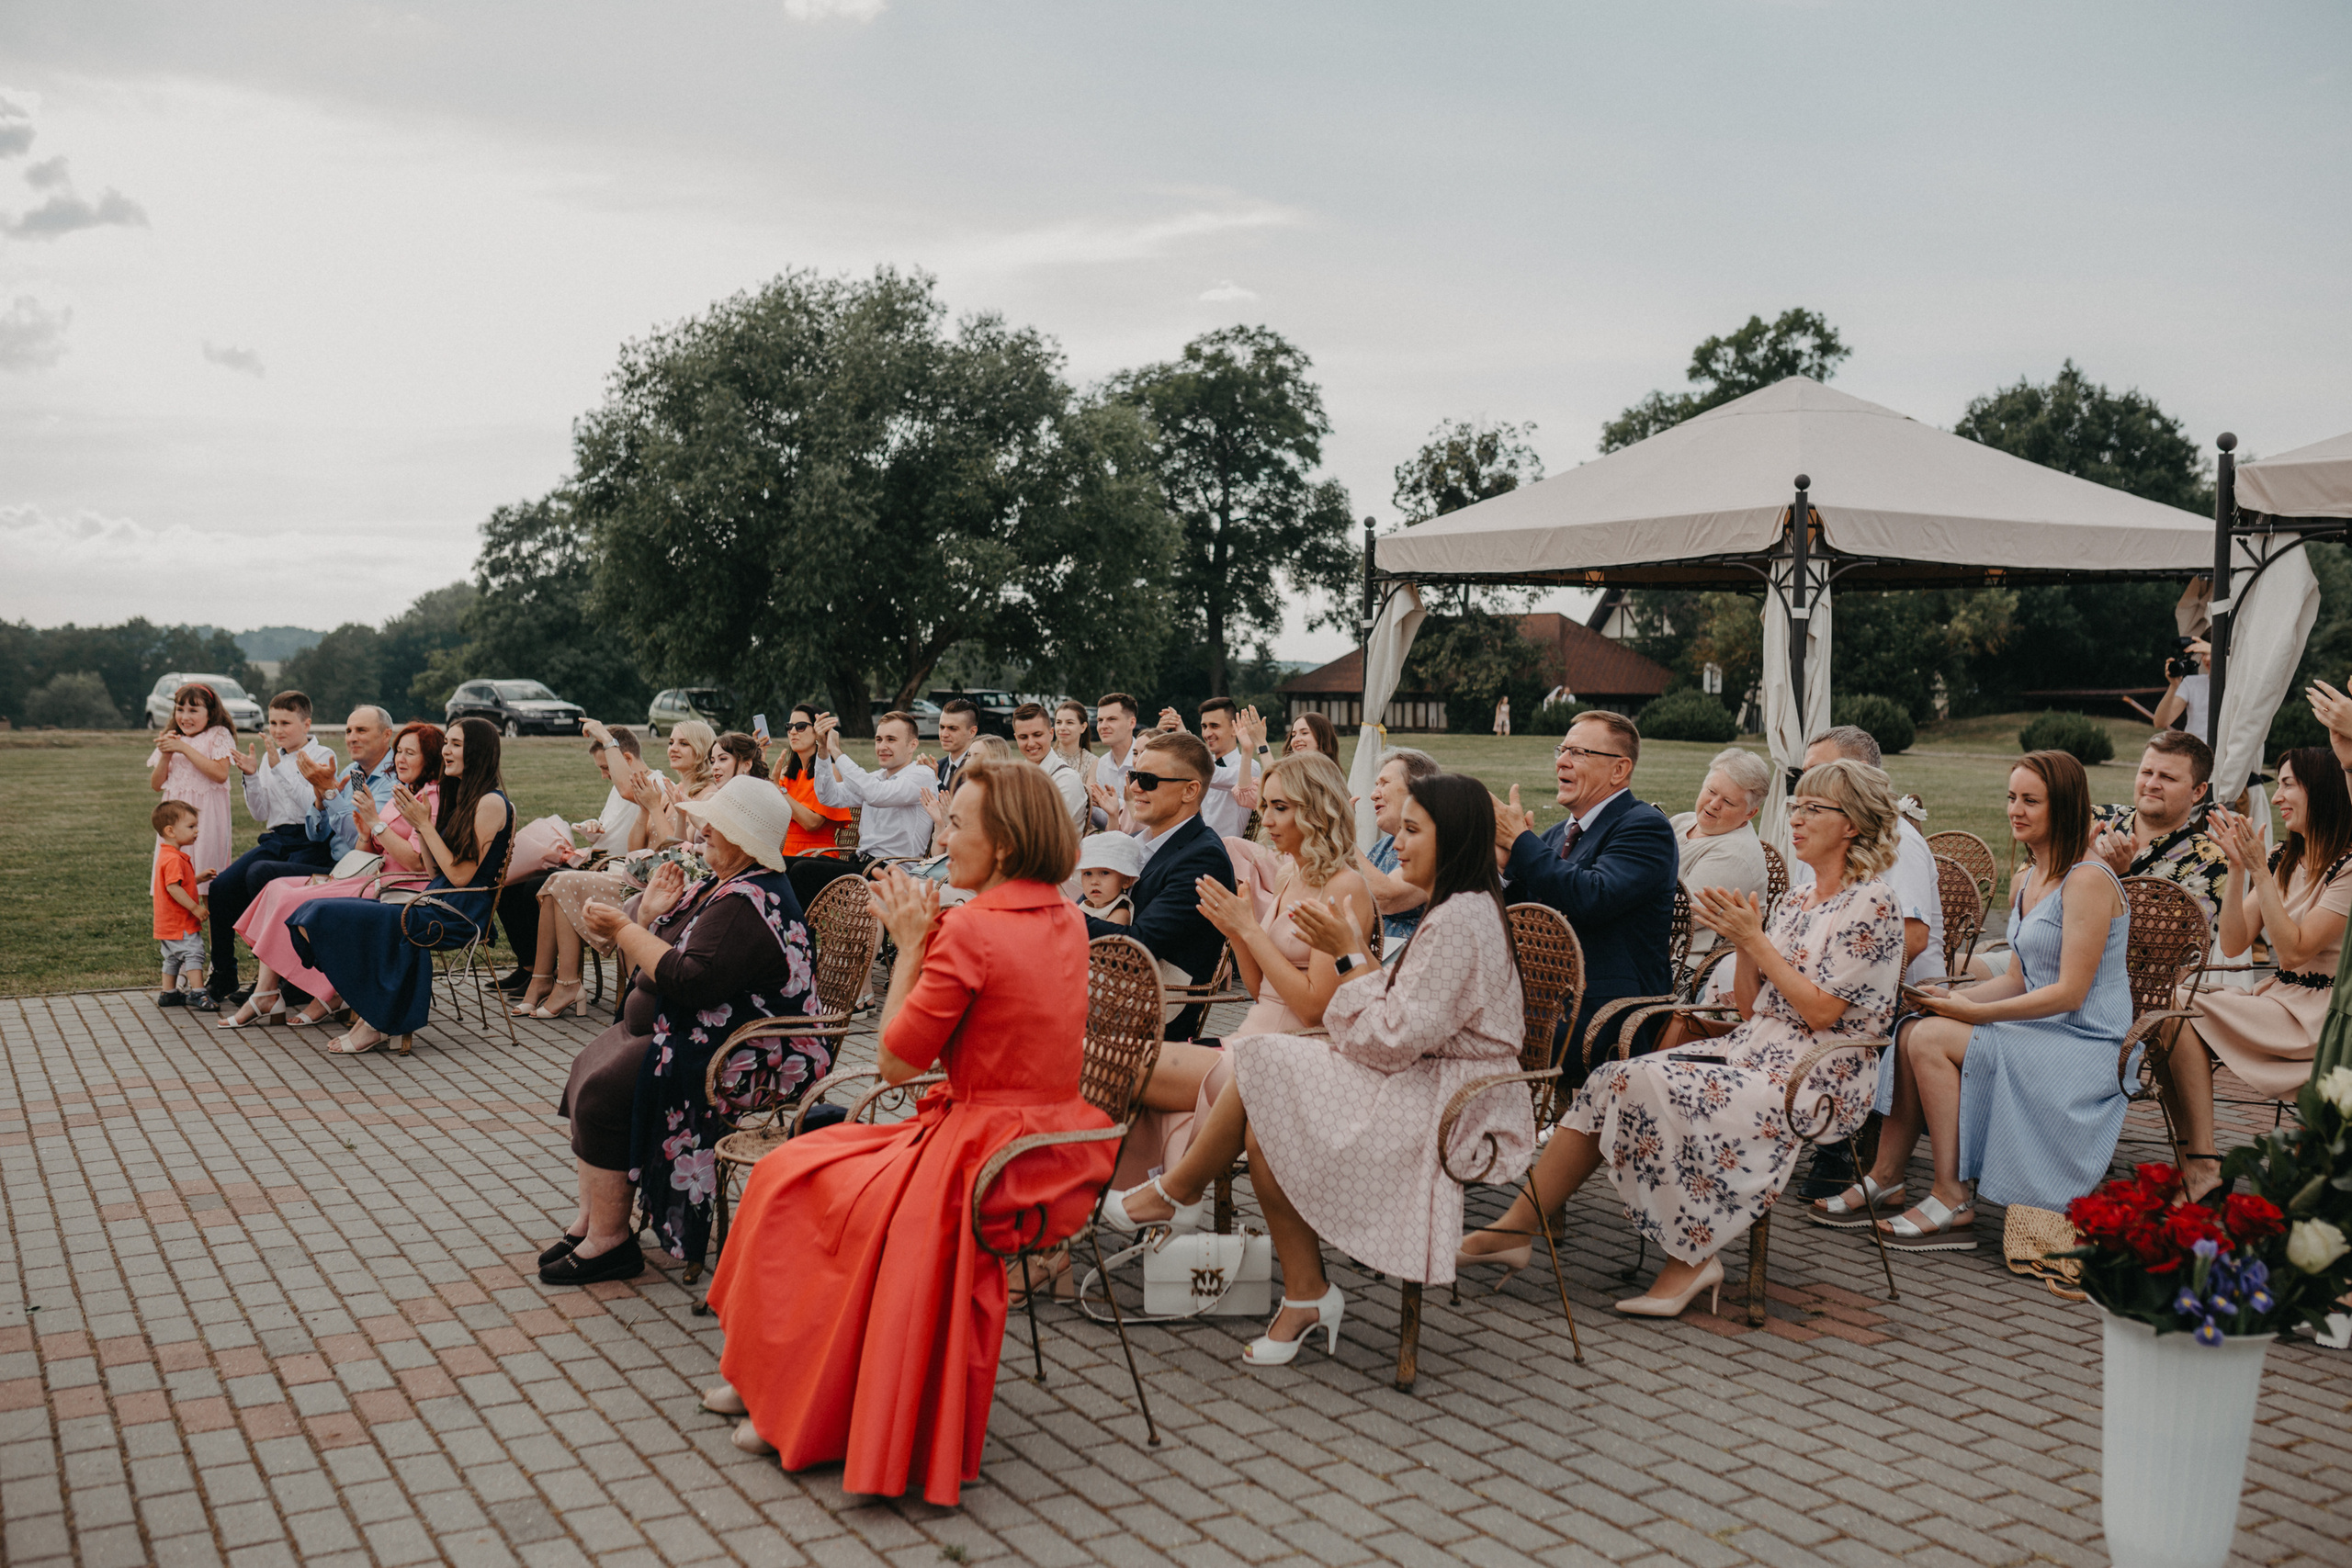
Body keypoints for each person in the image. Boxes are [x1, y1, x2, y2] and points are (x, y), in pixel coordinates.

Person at [702, 762, 1114, 1505]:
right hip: (1055, 1143)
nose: (944, 835)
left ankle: (797, 1397)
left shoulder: (971, 929)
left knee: (802, 1185)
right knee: (798, 1166)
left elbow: (894, 1062)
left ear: (1008, 843)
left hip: (984, 1155)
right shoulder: (1065, 914)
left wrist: (912, 942)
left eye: (959, 823)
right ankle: (763, 1373)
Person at [1102, 773, 1532, 1364]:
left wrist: (1349, 949)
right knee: (1265, 1099)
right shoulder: (1455, 910)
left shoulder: (1459, 919)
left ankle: (1184, 1195)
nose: (1395, 845)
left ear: (1453, 838)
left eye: (1411, 830)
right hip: (1417, 1072)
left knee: (1266, 1066)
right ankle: (1301, 1291)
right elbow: (1394, 1019)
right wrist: (1266, 935)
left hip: (1452, 1101)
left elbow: (1388, 1036)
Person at [1460, 759, 1905, 1315]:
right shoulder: (1798, 900)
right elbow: (1751, 1007)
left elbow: (1820, 1012)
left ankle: (1691, 1260)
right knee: (1613, 1078)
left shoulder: (1873, 902)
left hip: (1817, 1075)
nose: (1795, 818)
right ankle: (1514, 1229)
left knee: (1653, 1085)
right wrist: (1744, 942)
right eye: (1795, 806)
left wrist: (1754, 940)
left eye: (1813, 808)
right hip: (1754, 1048)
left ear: (1853, 825)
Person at [1830, 750, 2131, 1248]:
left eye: (2031, 800)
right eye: (2012, 797)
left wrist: (1973, 1012)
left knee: (1930, 1040)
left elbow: (2070, 992)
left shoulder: (2089, 881)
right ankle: (1888, 1176)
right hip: (2042, 1026)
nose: (2016, 810)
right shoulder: (2028, 879)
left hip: (2085, 1040)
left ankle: (1952, 1196)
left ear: (2066, 806)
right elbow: (2017, 978)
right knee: (1911, 1027)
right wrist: (1945, 995)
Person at [549, 776, 820, 1284]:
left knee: (607, 1091)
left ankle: (611, 1242)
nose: (701, 828)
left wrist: (627, 930)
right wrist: (646, 914)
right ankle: (592, 1222)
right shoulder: (723, 882)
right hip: (701, 1031)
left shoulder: (748, 901)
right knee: (589, 1066)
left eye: (714, 823)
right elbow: (668, 942)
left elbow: (690, 980)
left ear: (741, 837)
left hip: (752, 1053)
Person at [2161, 747, 2352, 1199]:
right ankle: (2197, 1163)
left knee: (2178, 1008)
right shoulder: (2286, 856)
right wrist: (2237, 868)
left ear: (2320, 791)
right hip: (2279, 1001)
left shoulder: (2347, 868)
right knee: (2169, 1012)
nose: (2279, 796)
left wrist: (2261, 873)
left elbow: (2293, 949)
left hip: (2317, 1018)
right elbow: (2232, 942)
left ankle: (2204, 1167)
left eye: (2288, 784)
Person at [288, 717, 514, 1055]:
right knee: (306, 913)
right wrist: (421, 828)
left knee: (320, 914)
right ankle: (374, 1010)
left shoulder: (491, 803)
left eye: (455, 744)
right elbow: (433, 866)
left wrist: (423, 824)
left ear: (478, 752)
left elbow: (462, 877)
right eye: (446, 743)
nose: (445, 751)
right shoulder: (463, 795)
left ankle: (376, 1017)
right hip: (428, 902)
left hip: (455, 913)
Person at [220, 722, 445, 1029]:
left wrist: (374, 823)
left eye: (410, 753)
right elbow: (367, 847)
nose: (400, 759)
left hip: (400, 886)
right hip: (368, 872)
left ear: (430, 758)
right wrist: (366, 832)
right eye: (400, 752)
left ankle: (323, 992)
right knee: (275, 888)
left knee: (298, 900)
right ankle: (267, 991)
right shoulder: (402, 790)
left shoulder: (430, 797)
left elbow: (417, 863)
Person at [1492, 710, 1679, 1068]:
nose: (1561, 761)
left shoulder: (1645, 828)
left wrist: (1520, 842)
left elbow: (1594, 897)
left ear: (1619, 770)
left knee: (1456, 1037)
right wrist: (1502, 866)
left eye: (1578, 753)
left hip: (1605, 1014)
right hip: (1540, 999)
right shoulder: (1556, 836)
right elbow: (1518, 918)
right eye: (1561, 750)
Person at [205, 696, 387, 1008]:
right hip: (278, 837)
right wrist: (252, 775)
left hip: (308, 843)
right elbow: (260, 811)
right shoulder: (271, 758)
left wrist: (279, 769)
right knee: (221, 887)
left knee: (260, 877)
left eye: (285, 723)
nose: (277, 730)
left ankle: (278, 977)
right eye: (272, 723)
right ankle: (224, 970)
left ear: (306, 724)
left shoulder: (321, 755)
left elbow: (310, 807)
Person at [1082, 728, 1236, 1031]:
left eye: (1148, 780)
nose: (1135, 788)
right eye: (1134, 776)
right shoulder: (1144, 839)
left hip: (1151, 1011)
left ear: (1189, 791)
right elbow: (1090, 904)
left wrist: (1057, 915)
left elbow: (1138, 948)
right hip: (1111, 991)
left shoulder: (1203, 857)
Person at [495, 719, 651, 998]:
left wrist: (605, 736)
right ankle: (529, 965)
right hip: (594, 859)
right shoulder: (618, 789)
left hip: (613, 869)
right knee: (511, 886)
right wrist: (592, 828)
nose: (605, 776)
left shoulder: (646, 784)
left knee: (535, 888)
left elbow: (632, 841)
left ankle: (548, 974)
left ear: (624, 758)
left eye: (606, 767)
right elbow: (610, 828)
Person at [1794, 728, 1939, 983]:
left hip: (1900, 997)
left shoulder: (1896, 843)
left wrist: (1829, 985)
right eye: (1805, 774)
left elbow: (1913, 939)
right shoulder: (1818, 842)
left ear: (1858, 772)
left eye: (1819, 771)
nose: (1805, 784)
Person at [2091, 729, 2227, 935]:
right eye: (2146, 772)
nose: (2151, 784)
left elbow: (2169, 947)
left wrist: (2121, 877)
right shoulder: (2095, 819)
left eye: (2168, 777)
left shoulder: (2208, 860)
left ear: (2198, 792)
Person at [1670, 747, 1772, 955]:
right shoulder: (1682, 822)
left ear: (1750, 813)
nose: (1714, 804)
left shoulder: (1735, 856)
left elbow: (1677, 916)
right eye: (1711, 791)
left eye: (1728, 802)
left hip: (1680, 963)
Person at [811, 709, 933, 871]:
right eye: (878, 739)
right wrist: (823, 750)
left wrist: (836, 751)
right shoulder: (875, 778)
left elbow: (876, 795)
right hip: (861, 863)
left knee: (804, 871)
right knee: (790, 865)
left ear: (912, 745)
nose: (882, 746)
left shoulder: (922, 775)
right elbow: (828, 796)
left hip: (893, 871)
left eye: (891, 740)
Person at [147, 680, 238, 885]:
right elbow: (156, 784)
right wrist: (166, 755)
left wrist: (184, 749)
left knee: (209, 878)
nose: (185, 717)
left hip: (206, 814)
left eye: (193, 710)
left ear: (210, 712)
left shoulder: (218, 735)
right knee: (174, 878)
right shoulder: (173, 738)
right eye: (180, 709)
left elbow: (220, 774)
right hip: (174, 818)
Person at [1355, 747, 1442, 951]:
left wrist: (1343, 840)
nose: (1373, 795)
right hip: (1371, 958)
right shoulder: (1383, 846)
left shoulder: (1440, 843)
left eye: (1384, 783)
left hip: (1415, 960)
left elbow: (1388, 898)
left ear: (1418, 788)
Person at [774, 704, 854, 858]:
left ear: (818, 732)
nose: (793, 732)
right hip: (785, 853)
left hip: (817, 856)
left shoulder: (831, 771)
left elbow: (812, 823)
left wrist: (780, 789)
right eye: (789, 727)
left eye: (801, 726)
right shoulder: (787, 773)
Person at [151, 801, 210, 1007]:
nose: (197, 830)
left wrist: (198, 879)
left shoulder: (166, 855)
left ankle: (168, 993)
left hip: (166, 923)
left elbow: (179, 882)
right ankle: (198, 992)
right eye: (191, 826)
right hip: (181, 922)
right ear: (170, 831)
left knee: (172, 958)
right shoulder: (174, 859)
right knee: (194, 952)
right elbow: (173, 888)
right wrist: (195, 908)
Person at [1189, 697, 1265, 841]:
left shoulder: (1249, 765)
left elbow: (1213, 775)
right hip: (1196, 845)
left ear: (1235, 729)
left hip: (1229, 852)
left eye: (1214, 726)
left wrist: (1183, 738)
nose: (1207, 734)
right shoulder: (1206, 762)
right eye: (1204, 727)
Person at [1012, 702, 1088, 828]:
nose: (1031, 743)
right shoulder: (1016, 776)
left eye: (1037, 735)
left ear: (1051, 733)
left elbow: (1052, 833)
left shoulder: (1066, 779)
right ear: (1016, 738)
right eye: (1023, 737)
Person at [1075, 830, 1142, 923]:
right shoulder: (1083, 905)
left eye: (1104, 873)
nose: (1094, 881)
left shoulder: (1119, 913)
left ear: (1126, 880)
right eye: (1088, 873)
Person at [2154, 637, 2211, 739]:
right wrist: (2174, 686)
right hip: (2194, 751)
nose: (2207, 659)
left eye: (2211, 653)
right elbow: (2160, 723)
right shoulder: (2191, 683)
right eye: (2203, 653)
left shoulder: (2236, 683)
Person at [933, 698, 980, 795]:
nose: (944, 734)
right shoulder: (939, 766)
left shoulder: (978, 768)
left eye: (953, 728)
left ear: (972, 732)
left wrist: (936, 781)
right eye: (942, 727)